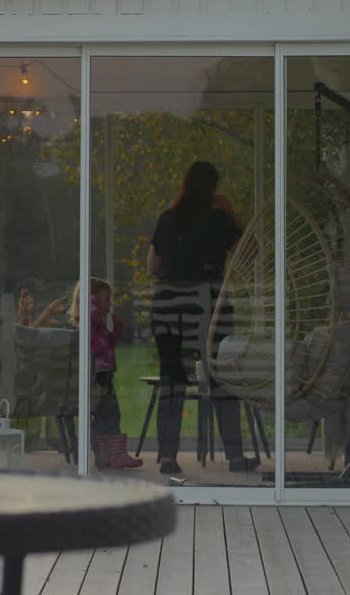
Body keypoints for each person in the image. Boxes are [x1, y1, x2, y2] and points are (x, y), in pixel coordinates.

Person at [148, 161, 258, 477]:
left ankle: (167, 457)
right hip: (209, 306)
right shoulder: (218, 219)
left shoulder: (168, 219)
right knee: (222, 377)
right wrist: (230, 211)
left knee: (173, 378)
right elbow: (251, 251)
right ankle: (235, 458)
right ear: (213, 187)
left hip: (168, 307)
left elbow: (153, 268)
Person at [69, 277, 142, 469]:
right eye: (106, 299)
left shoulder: (98, 322)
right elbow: (97, 346)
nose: (110, 304)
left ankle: (111, 455)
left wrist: (116, 327)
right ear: (91, 301)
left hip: (105, 373)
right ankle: (108, 455)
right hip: (98, 375)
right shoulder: (91, 321)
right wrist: (92, 304)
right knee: (106, 414)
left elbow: (110, 343)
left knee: (110, 413)